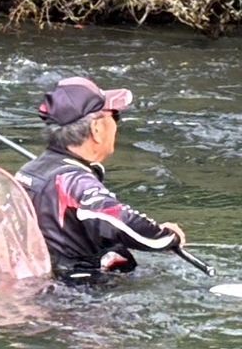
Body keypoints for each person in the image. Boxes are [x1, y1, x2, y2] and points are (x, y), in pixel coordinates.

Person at [15, 77, 186, 283]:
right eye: (115, 116)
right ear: (96, 129)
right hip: (79, 294)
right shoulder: (74, 181)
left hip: (46, 282)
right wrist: (167, 236)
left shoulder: (29, 171)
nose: (116, 125)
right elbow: (121, 220)